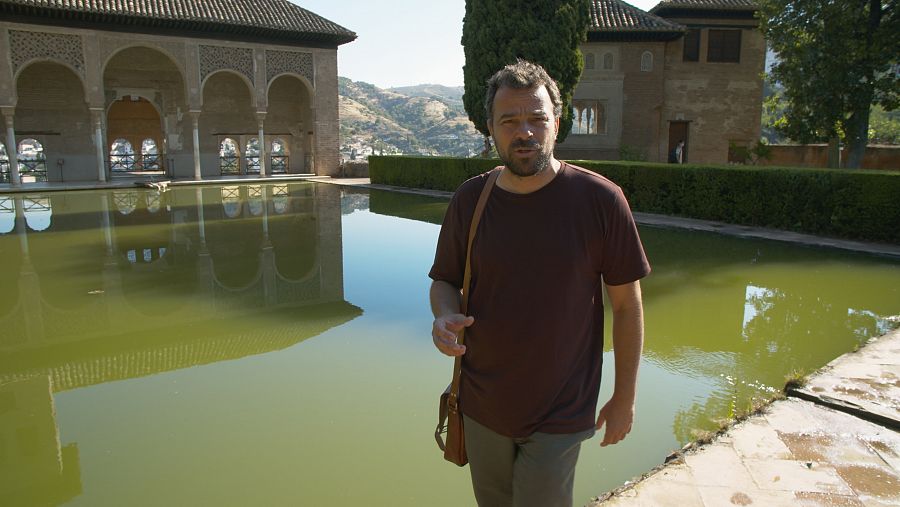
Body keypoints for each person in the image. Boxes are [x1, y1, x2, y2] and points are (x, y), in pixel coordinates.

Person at [428, 60, 650, 507]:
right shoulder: (471, 199)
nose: (524, 132)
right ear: (490, 127)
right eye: (509, 121)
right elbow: (444, 281)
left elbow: (627, 306)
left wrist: (624, 396)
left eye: (536, 118)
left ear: (556, 122)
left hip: (561, 409)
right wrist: (443, 316)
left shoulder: (600, 200)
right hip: (482, 402)